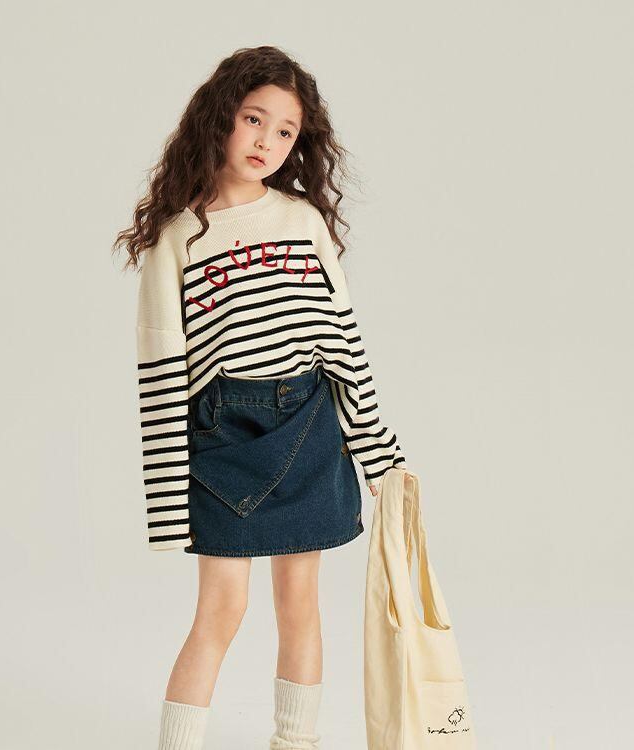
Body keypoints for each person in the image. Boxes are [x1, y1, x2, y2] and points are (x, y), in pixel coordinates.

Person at [112, 44, 407, 750]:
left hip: (310, 426)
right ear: (220, 116)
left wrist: (379, 453)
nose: (266, 141)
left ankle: (293, 744)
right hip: (224, 437)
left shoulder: (303, 222)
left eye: (285, 131)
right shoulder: (178, 237)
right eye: (253, 119)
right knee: (221, 611)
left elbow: (342, 345)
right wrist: (168, 506)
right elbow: (161, 372)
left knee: (301, 604)